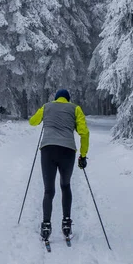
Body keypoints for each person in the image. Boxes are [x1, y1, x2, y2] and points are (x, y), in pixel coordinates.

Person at [29, 88, 89, 240]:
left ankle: (46, 225)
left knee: (49, 190)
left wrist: (45, 118)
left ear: (56, 98)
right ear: (68, 99)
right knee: (65, 186)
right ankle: (66, 222)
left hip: (48, 150)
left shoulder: (47, 106)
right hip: (67, 151)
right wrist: (83, 155)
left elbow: (32, 122)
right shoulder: (75, 108)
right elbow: (84, 133)